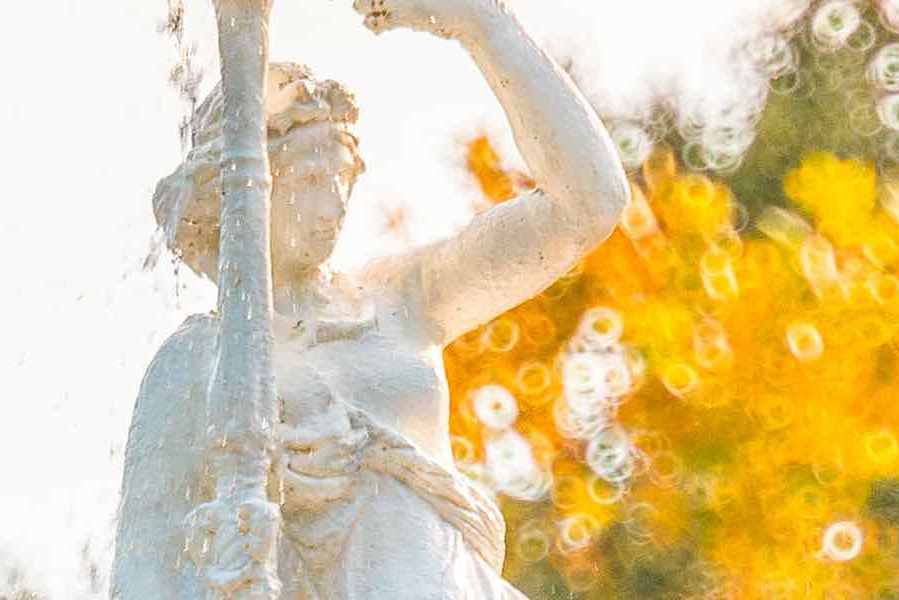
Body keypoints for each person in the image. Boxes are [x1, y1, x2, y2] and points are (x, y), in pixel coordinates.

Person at [115, 0, 628, 596]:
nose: (332, 201)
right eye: (308, 179)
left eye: (341, 175)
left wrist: (483, 24)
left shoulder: (400, 298)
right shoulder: (200, 359)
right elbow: (143, 566)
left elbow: (589, 204)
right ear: (243, 192)